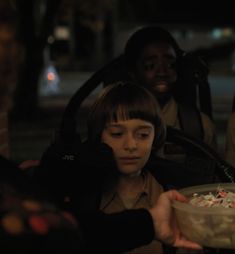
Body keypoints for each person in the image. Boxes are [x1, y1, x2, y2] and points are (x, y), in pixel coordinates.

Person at [34, 81, 202, 253]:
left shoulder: (174, 196)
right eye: (117, 134)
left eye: (143, 135)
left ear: (155, 137)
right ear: (99, 138)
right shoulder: (82, 197)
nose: (131, 145)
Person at [123, 26, 217, 159]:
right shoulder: (115, 123)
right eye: (150, 65)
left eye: (170, 64)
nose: (162, 72)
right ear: (132, 72)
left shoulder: (200, 126)